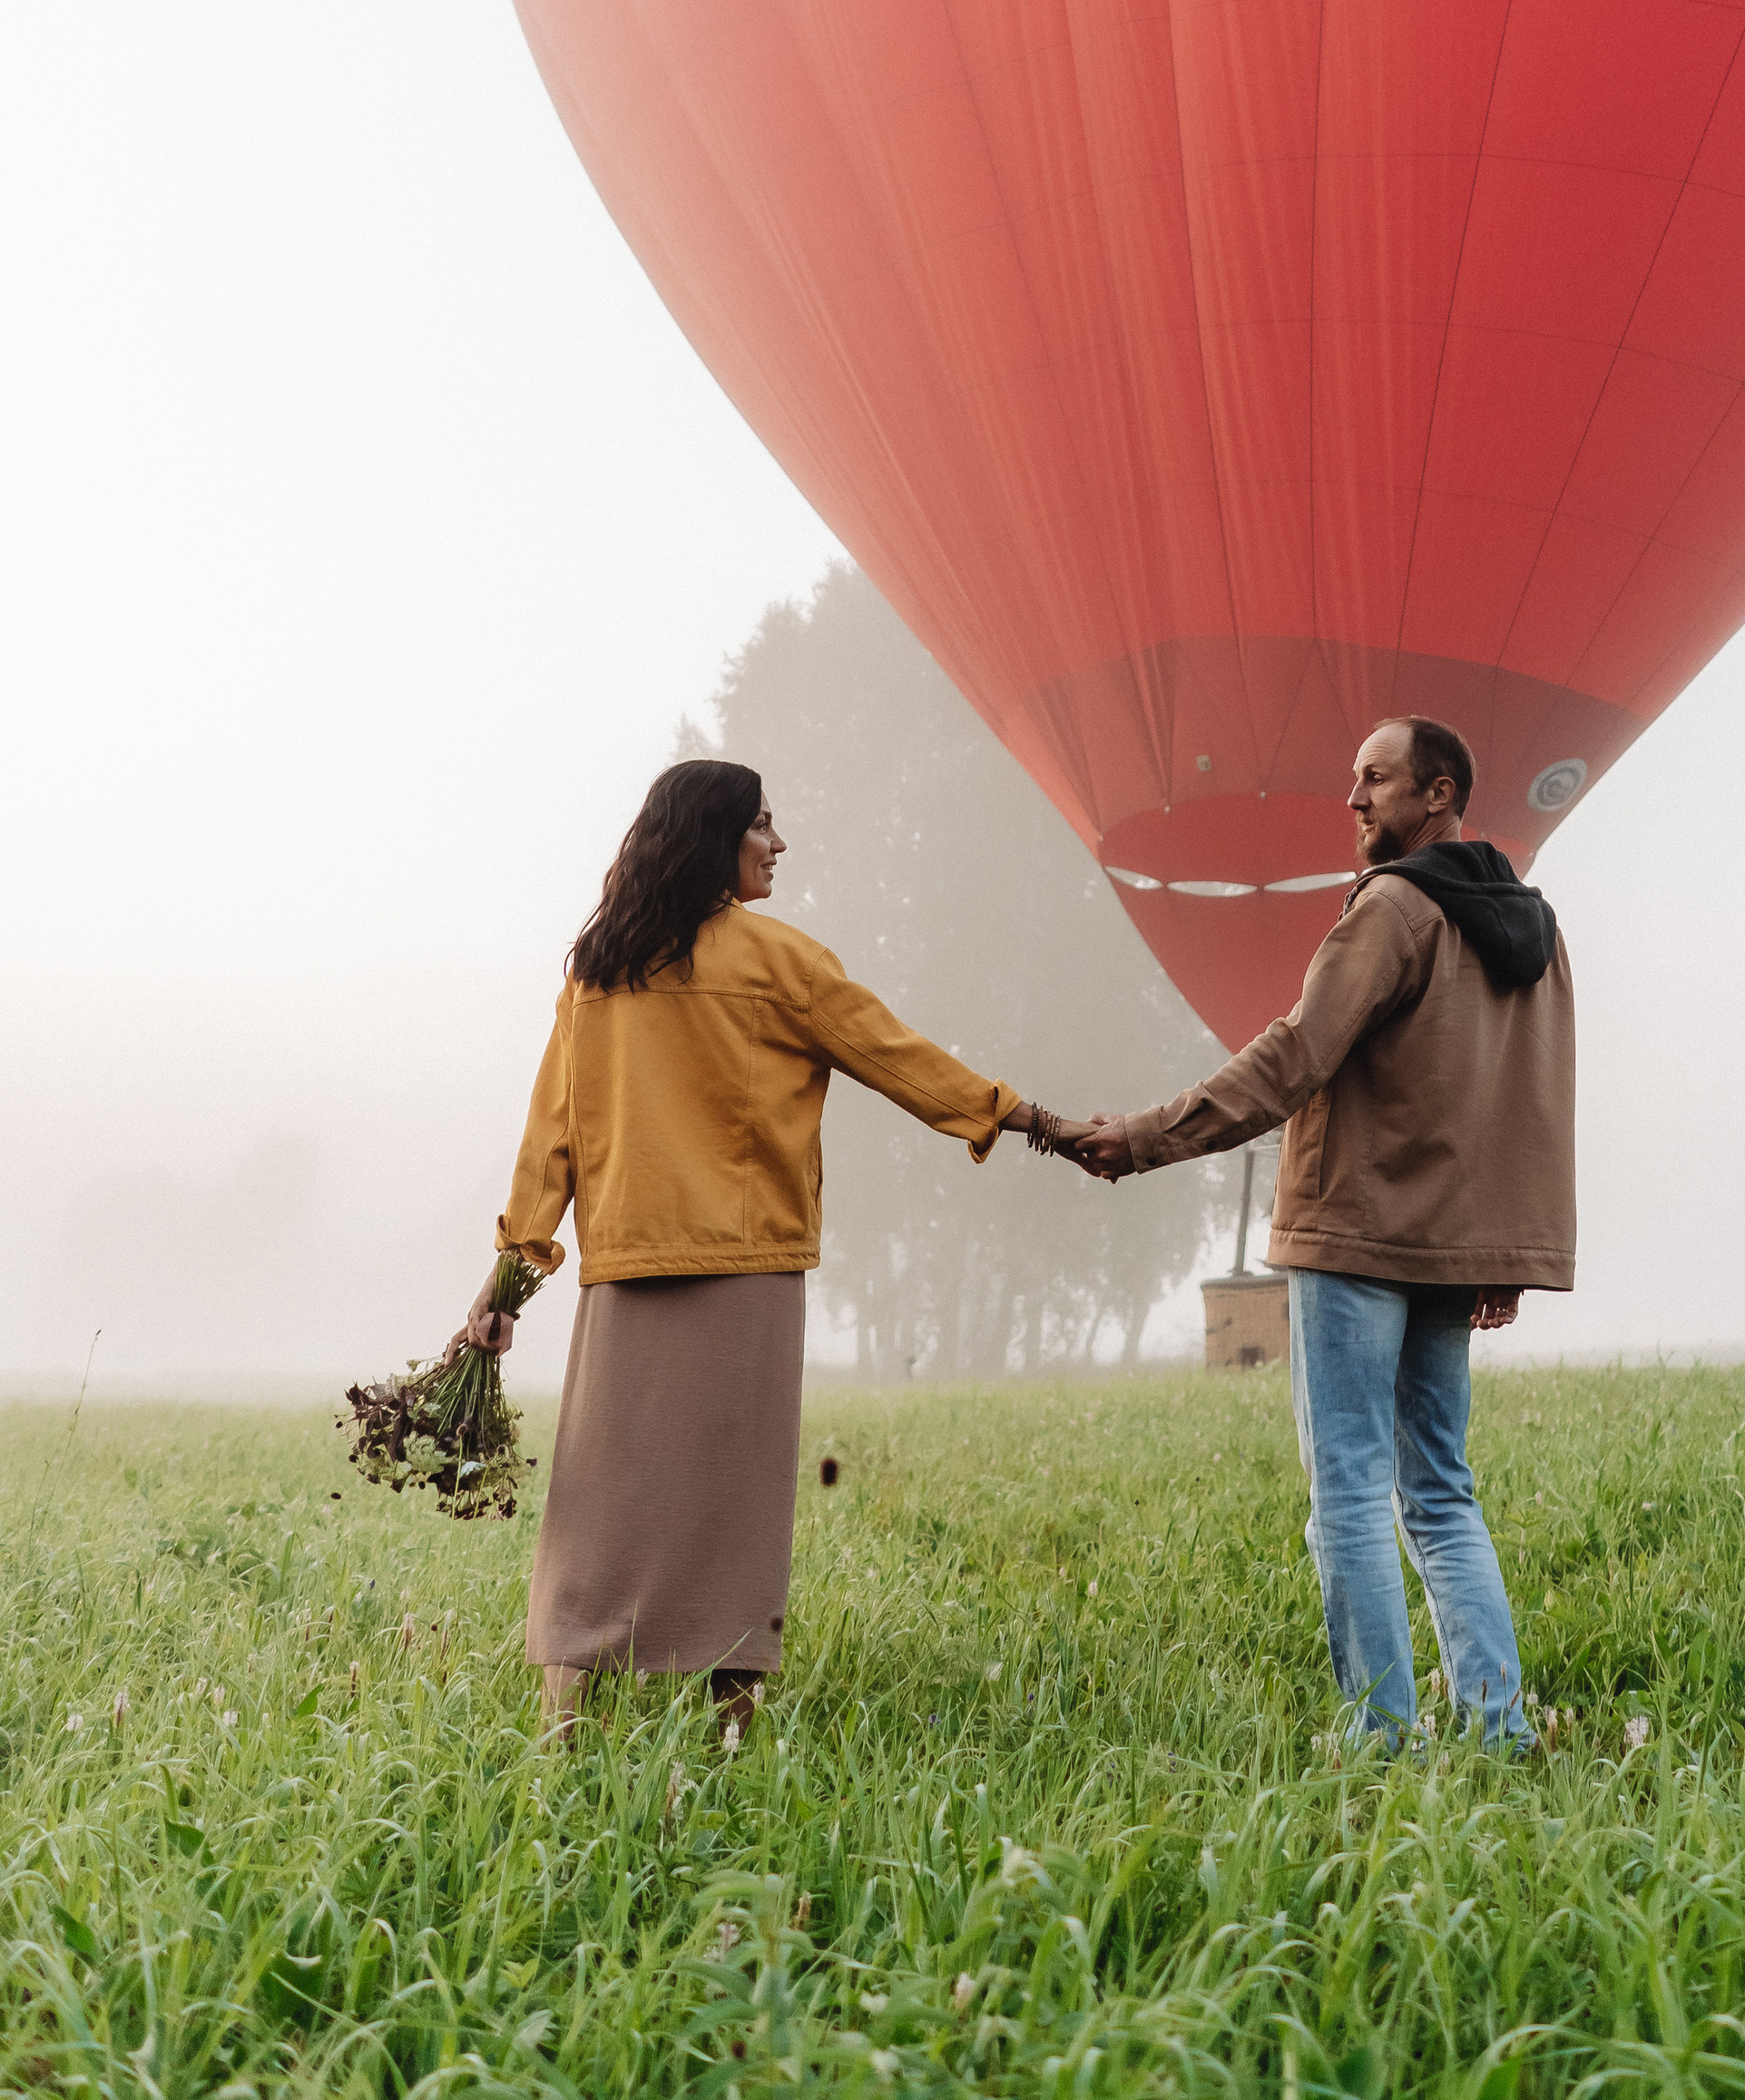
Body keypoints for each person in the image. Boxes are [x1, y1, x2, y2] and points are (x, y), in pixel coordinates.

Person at [464, 756, 1089, 1739]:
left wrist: (510, 1275)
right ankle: (731, 1737)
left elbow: (552, 1138)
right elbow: (898, 1057)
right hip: (748, 1272)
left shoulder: (597, 973)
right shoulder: (779, 962)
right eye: (763, 823)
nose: (779, 843)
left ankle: (562, 1729)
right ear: (718, 837)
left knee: (600, 1501)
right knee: (733, 1507)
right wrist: (1024, 1116)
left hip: (626, 1269)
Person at [1069, 717, 1573, 1749]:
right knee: (1438, 1489)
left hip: (1353, 1232)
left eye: (1375, 780)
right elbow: (1531, 1101)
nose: (1352, 799)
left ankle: (1380, 1733)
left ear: (1437, 795)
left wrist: (1147, 1135)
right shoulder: (1533, 928)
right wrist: (1502, 1254)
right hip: (1447, 1247)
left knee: (1347, 1486)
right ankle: (1499, 1727)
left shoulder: (1393, 909)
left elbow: (1294, 1056)